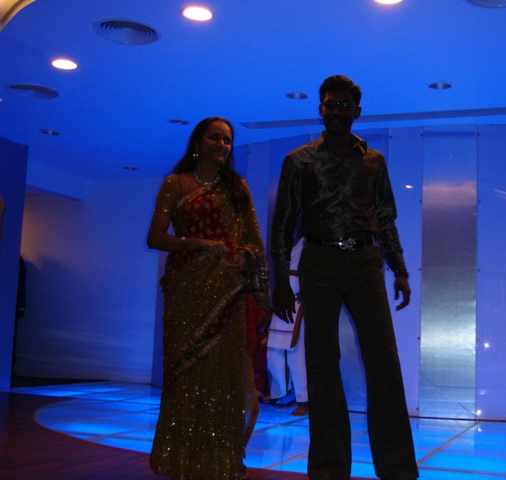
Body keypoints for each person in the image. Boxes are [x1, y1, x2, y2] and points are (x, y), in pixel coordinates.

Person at [271, 75, 418, 480]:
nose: (336, 110)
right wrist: (280, 281)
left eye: (344, 104)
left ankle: (398, 471)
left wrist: (400, 269)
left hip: (366, 262)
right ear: (320, 108)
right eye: (330, 103)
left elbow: (385, 218)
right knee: (321, 363)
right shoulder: (299, 160)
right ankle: (328, 469)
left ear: (357, 111)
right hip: (318, 261)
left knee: (384, 360)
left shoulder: (373, 161)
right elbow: (283, 224)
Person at [147, 116, 270, 480]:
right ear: (198, 143)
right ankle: (182, 462)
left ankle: (220, 463)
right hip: (186, 292)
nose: (222, 145)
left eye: (228, 140)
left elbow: (254, 243)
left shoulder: (237, 188)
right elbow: (155, 237)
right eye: (215, 138)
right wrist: (200, 243)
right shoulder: (175, 184)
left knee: (223, 378)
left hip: (227, 295)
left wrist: (242, 255)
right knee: (184, 374)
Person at [266, 236, 309, 416]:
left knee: (296, 352)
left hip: (299, 293)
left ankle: (304, 399)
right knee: (274, 348)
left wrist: (307, 289)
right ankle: (283, 393)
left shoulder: (308, 240)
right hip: (284, 292)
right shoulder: (289, 238)